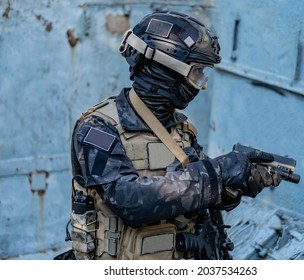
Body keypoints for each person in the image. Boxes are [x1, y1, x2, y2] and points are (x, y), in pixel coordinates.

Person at [66, 10, 281, 260]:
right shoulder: (98, 129)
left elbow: (199, 194)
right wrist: (219, 172)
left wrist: (239, 182)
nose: (203, 83)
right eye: (196, 72)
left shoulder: (181, 129)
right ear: (163, 70)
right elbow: (128, 200)